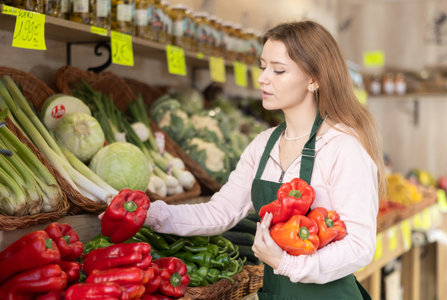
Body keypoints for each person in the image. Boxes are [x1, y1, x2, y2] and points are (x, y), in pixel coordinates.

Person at [145, 20, 385, 299]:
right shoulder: (264, 144)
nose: (262, 78)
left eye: (278, 70)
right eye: (263, 66)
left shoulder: (342, 148)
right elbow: (220, 212)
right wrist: (152, 214)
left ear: (313, 79)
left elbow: (359, 246)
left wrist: (288, 263)